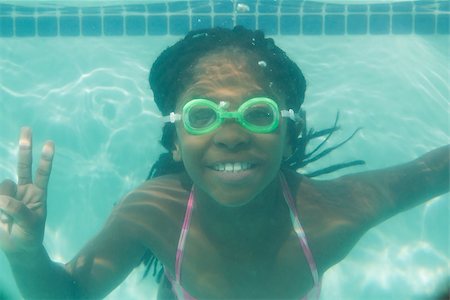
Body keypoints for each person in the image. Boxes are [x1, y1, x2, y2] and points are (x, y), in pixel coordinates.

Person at [0, 26, 448, 300]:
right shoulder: (151, 213)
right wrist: (26, 255)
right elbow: (69, 295)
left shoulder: (330, 214)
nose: (231, 137)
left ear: (289, 132)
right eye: (201, 115)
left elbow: (432, 170)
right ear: (175, 141)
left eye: (257, 113)